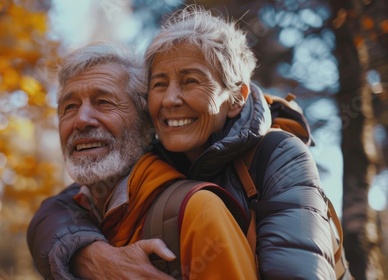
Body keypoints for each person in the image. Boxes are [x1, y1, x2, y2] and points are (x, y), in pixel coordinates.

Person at [28, 6, 336, 279]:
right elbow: (55, 211)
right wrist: (89, 255)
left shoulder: (277, 155)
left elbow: (298, 263)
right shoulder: (148, 153)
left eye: (191, 81)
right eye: (160, 84)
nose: (171, 100)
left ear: (236, 99)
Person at [34, 41, 258, 279]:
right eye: (69, 107)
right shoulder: (73, 213)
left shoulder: (198, 211)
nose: (82, 120)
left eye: (104, 102)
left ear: (146, 126)